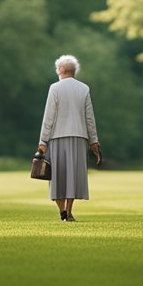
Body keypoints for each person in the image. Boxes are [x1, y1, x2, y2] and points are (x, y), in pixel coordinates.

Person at [37, 54, 102, 222]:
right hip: (79, 137)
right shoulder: (84, 88)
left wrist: (43, 141)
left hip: (57, 137)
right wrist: (94, 141)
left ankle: (62, 211)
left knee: (57, 176)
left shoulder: (54, 88)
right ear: (74, 71)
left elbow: (48, 117)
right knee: (73, 176)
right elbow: (90, 118)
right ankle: (69, 210)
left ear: (60, 70)